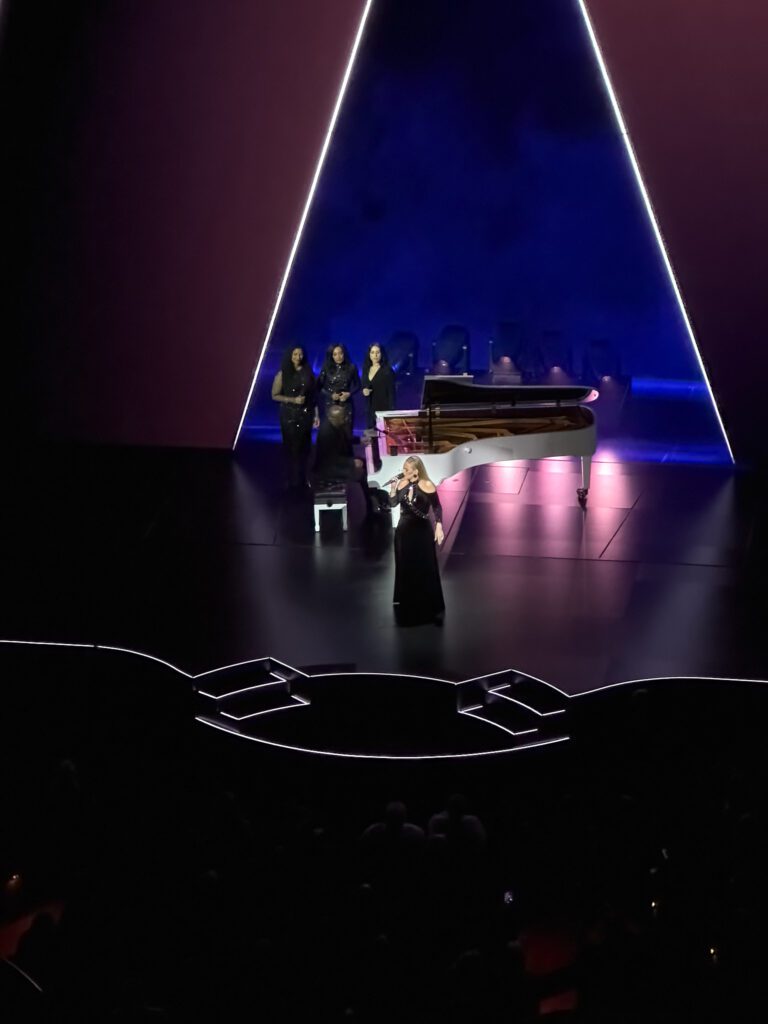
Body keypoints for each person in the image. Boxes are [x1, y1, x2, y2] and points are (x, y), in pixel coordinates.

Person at [389, 456, 445, 624]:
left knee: (424, 564)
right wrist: (393, 489)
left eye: (407, 470)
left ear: (416, 471)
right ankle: (406, 599)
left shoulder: (427, 485)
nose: (403, 472)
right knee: (405, 563)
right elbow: (393, 503)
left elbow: (436, 506)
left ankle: (427, 600)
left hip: (421, 531)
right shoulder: (402, 484)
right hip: (404, 530)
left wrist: (439, 526)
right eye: (403, 469)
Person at [271, 345, 317, 487]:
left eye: (300, 354)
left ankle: (304, 478)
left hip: (306, 414)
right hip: (289, 415)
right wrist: (293, 400)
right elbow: (274, 395)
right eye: (295, 354)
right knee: (291, 447)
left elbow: (313, 397)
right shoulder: (282, 374)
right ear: (290, 356)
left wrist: (316, 416)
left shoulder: (308, 372)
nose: (298, 357)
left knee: (305, 447)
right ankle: (291, 478)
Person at [318, 343, 359, 434]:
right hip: (330, 405)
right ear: (331, 356)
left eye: (341, 353)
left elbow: (358, 385)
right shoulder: (326, 368)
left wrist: (349, 393)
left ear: (344, 353)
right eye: (335, 354)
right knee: (331, 434)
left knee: (346, 433)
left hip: (346, 405)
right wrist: (330, 395)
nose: (338, 356)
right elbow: (319, 387)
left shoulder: (352, 367)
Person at [361, 343, 396, 431]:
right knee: (372, 439)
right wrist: (364, 391)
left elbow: (392, 393)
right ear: (369, 354)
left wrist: (390, 413)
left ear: (382, 354)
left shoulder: (387, 371)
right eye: (372, 352)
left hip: (383, 410)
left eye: (377, 352)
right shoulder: (366, 370)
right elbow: (364, 386)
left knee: (382, 438)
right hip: (370, 409)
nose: (375, 355)